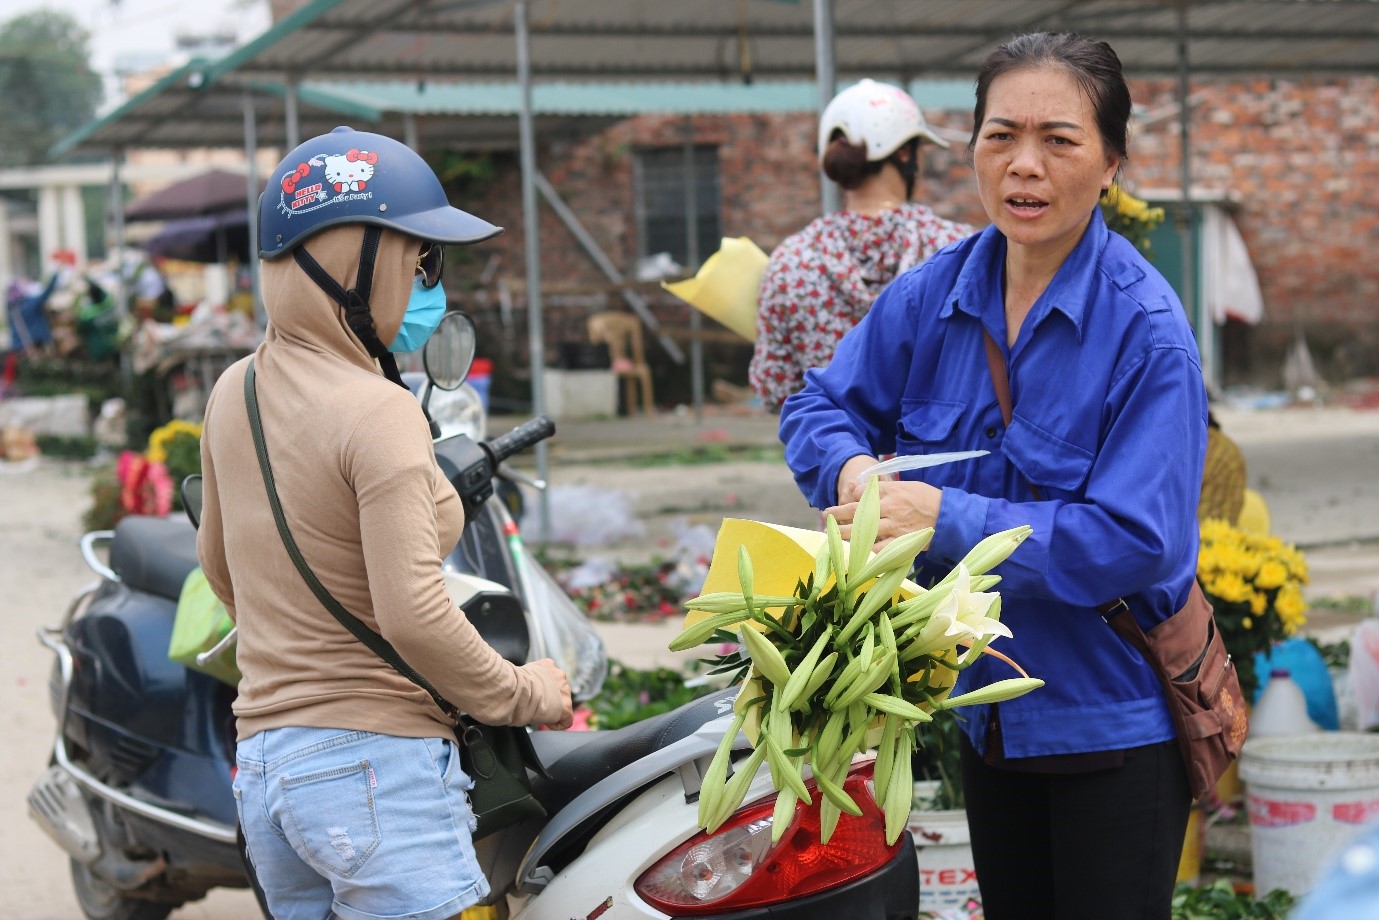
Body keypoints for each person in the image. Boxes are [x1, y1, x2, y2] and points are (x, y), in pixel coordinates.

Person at [779, 33, 1206, 919]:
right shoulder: (931, 296)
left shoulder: (1145, 334)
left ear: (1112, 163)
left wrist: (942, 518)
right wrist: (854, 469)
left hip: (1108, 723)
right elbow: (814, 407)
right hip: (986, 711)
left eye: (1059, 140)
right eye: (1000, 136)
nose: (1025, 166)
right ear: (968, 148)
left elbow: (1133, 541)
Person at [197, 126, 574, 920]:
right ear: (348, 266)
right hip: (375, 773)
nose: (425, 283)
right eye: (417, 260)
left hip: (267, 770)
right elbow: (413, 612)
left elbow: (223, 570)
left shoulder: (233, 392)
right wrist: (521, 692)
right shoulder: (380, 409)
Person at [748, 78, 973, 411]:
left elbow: (772, 389)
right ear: (904, 152)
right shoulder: (958, 250)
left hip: (835, 456)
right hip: (937, 459)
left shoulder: (790, 261)